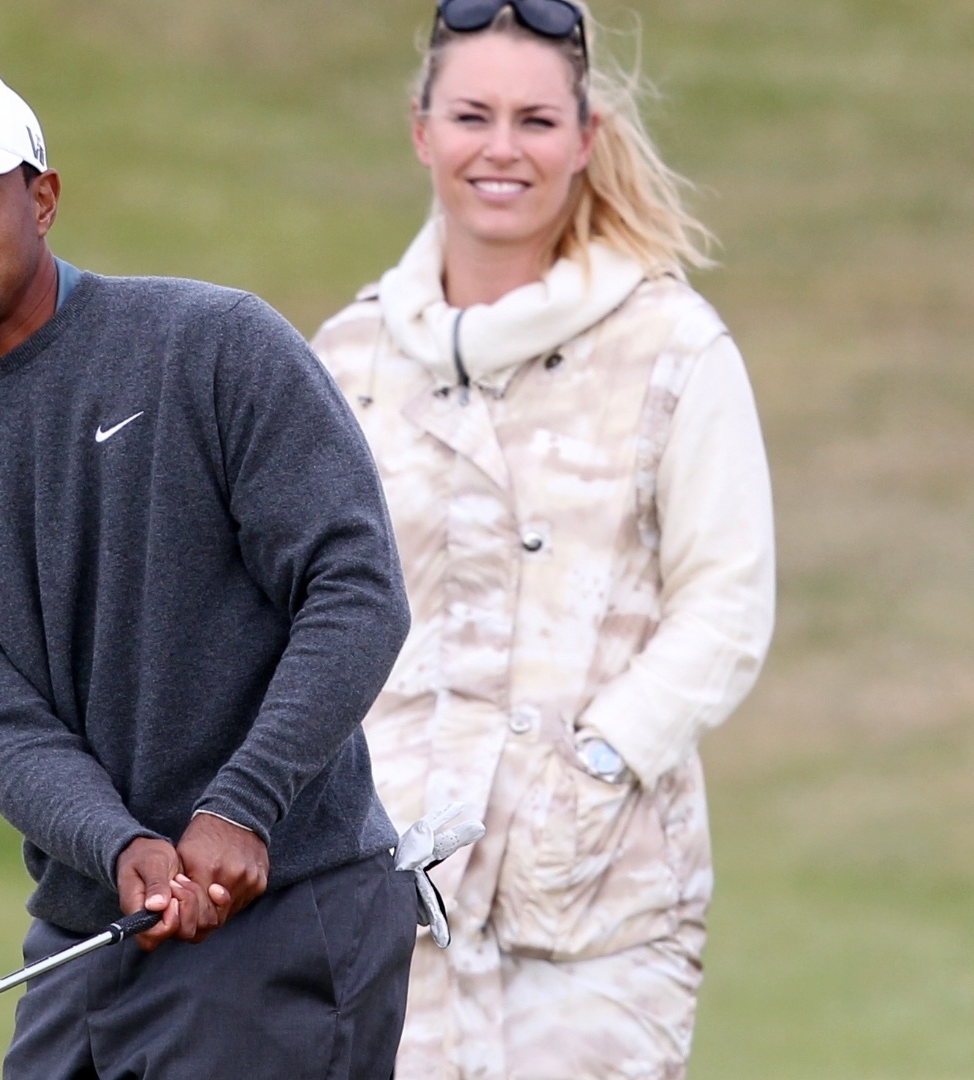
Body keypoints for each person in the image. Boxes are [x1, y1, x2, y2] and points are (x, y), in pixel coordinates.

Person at [0, 67, 419, 1079]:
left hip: (291, 900)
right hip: (90, 932)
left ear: (44, 199)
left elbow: (355, 589)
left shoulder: (212, 347)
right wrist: (115, 847)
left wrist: (245, 800)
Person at [310, 2, 775, 1077]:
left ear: (584, 139)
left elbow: (728, 602)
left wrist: (597, 761)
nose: (502, 149)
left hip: (601, 908)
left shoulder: (673, 345)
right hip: (392, 898)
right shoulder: (346, 358)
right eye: (473, 115)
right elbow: (297, 612)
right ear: (422, 130)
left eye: (534, 119)